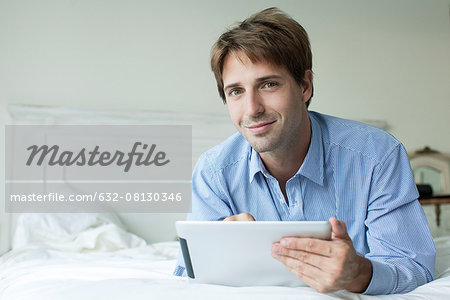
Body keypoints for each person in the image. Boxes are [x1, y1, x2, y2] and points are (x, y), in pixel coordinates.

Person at [174, 7, 435, 295]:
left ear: (305, 86)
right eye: (236, 91)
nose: (252, 109)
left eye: (269, 84)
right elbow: (189, 271)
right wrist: (216, 253)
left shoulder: (378, 157)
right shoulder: (213, 171)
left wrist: (357, 273)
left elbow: (413, 266)